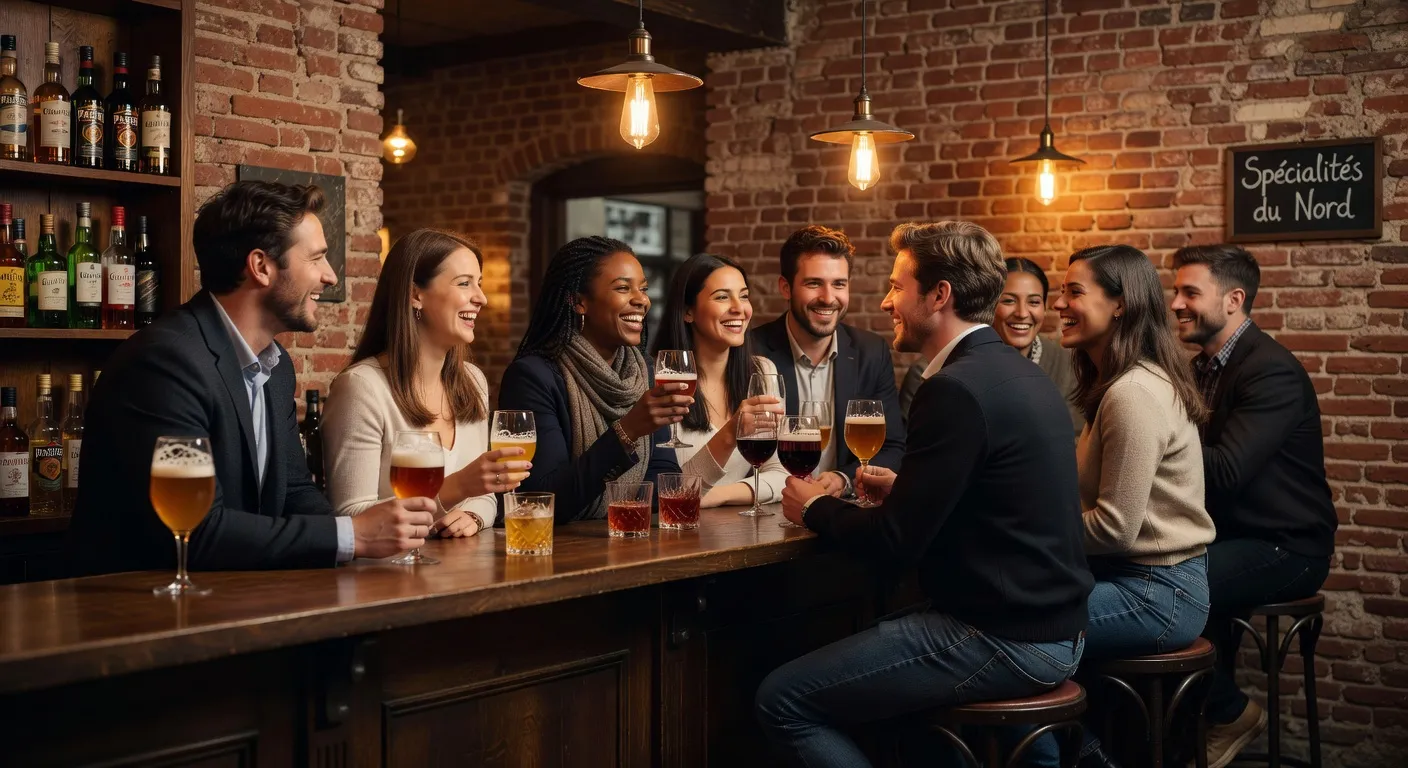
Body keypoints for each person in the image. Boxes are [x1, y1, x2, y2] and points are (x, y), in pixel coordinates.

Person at [758, 221, 1093, 767]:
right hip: (1058, 629)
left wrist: (815, 508)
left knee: (782, 699)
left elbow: (896, 543)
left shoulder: (953, 388)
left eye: (897, 286)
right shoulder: (1018, 371)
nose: (887, 300)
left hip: (1002, 635)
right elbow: (993, 499)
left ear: (939, 296)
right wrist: (910, 488)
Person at [69, 181, 435, 574]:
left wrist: (357, 539)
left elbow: (294, 491)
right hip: (135, 612)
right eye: (316, 258)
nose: (330, 276)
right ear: (261, 267)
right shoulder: (164, 363)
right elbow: (196, 530)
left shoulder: (276, 369)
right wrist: (352, 536)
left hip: (236, 597)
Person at [1051, 244, 1218, 767]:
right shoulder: (1121, 384)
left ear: (1120, 304)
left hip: (1157, 593)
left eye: (1074, 291)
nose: (1060, 304)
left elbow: (1117, 528)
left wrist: (1026, 534)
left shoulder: (1133, 393)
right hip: (1140, 582)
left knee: (1015, 629)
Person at [1171, 244, 1336, 768]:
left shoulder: (1271, 371)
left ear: (1233, 300)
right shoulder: (1205, 368)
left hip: (1288, 546)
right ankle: (1183, 732)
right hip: (1228, 539)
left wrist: (1153, 436)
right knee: (1143, 570)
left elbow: (1222, 472)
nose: (1175, 303)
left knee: (1169, 589)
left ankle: (1230, 710)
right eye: (1176, 291)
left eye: (1189, 292)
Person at [323, 229, 531, 539]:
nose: (481, 298)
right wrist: (457, 488)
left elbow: (484, 497)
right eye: (464, 283)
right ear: (415, 294)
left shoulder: (471, 381)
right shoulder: (361, 387)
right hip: (384, 578)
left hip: (460, 572)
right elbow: (352, 516)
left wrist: (473, 514)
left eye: (479, 283)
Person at [499, 236, 725, 521]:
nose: (642, 300)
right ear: (579, 301)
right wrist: (628, 431)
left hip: (629, 539)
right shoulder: (534, 377)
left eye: (642, 289)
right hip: (559, 553)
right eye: (622, 288)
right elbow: (543, 500)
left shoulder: (645, 371)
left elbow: (659, 486)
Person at [752, 225, 905, 499]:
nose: (828, 297)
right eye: (814, 283)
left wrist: (842, 477)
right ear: (785, 288)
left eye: (839, 284)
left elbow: (893, 446)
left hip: (843, 511)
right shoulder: (751, 352)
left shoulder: (871, 351)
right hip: (770, 510)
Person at [652, 253, 788, 507]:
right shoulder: (659, 381)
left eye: (744, 295)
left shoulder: (762, 371)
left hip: (736, 533)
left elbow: (781, 475)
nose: (739, 308)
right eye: (722, 297)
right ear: (687, 312)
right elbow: (670, 491)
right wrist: (728, 435)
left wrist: (714, 496)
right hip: (675, 535)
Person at [899, 257, 1083, 436]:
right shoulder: (930, 370)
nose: (1022, 313)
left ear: (1044, 308)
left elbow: (1074, 439)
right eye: (1009, 300)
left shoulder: (1067, 366)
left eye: (1034, 302)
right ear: (990, 306)